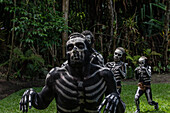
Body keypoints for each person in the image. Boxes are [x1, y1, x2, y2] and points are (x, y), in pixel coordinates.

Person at [19, 33, 125, 113]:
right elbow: (42, 103)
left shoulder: (104, 75)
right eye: (70, 48)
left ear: (89, 52)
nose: (74, 50)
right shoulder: (56, 76)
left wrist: (116, 98)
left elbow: (120, 109)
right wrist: (32, 95)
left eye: (79, 46)